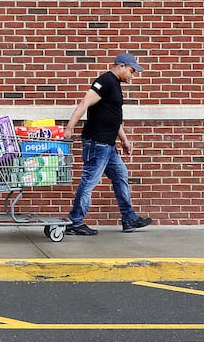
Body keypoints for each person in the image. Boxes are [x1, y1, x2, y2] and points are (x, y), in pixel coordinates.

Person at [63, 51, 153, 236]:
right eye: (131, 70)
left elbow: (113, 118)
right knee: (89, 181)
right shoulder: (105, 81)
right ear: (121, 66)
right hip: (97, 142)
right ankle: (75, 222)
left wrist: (125, 140)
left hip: (108, 145)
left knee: (121, 176)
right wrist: (69, 128)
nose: (132, 75)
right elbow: (84, 103)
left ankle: (129, 219)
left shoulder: (115, 84)